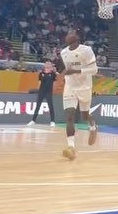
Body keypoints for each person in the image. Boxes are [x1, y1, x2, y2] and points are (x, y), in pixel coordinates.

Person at [59, 31, 98, 160]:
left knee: (84, 115)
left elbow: (94, 70)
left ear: (76, 38)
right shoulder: (63, 52)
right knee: (70, 114)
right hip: (70, 87)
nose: (67, 35)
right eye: (67, 33)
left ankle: (92, 126)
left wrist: (76, 71)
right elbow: (67, 68)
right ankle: (71, 148)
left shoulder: (86, 50)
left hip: (84, 87)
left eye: (71, 33)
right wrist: (65, 74)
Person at [27, 60, 58, 127]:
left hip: (49, 92)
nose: (47, 65)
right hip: (41, 92)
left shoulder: (53, 74)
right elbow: (39, 83)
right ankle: (33, 120)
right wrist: (38, 90)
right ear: (44, 65)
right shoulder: (41, 74)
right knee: (38, 106)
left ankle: (52, 121)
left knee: (51, 106)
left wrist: (54, 91)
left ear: (51, 65)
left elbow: (55, 83)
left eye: (49, 64)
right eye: (46, 64)